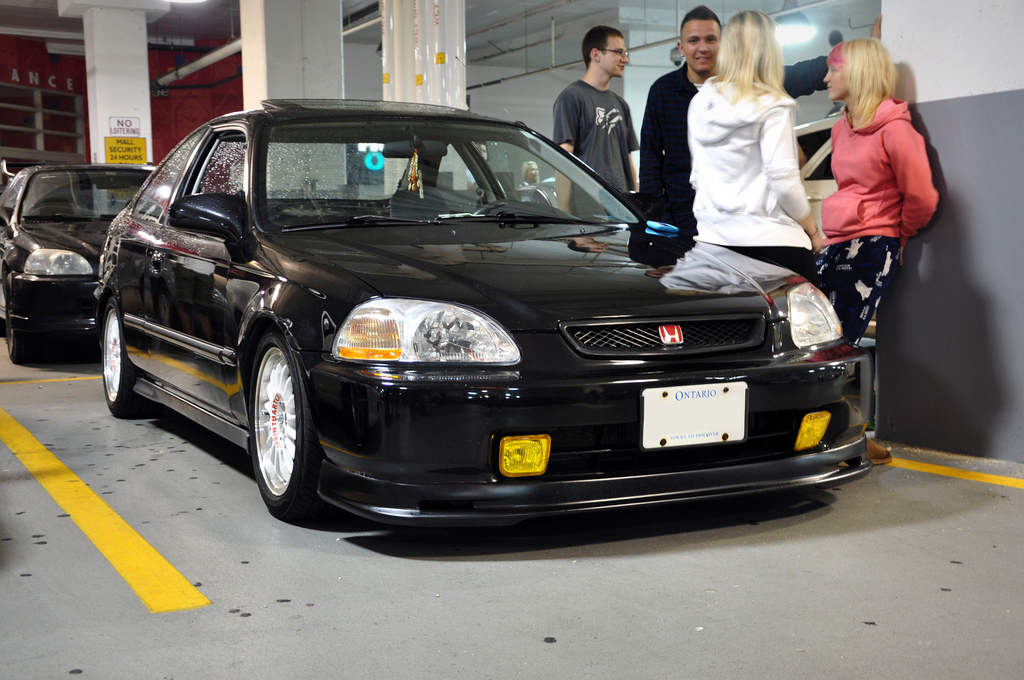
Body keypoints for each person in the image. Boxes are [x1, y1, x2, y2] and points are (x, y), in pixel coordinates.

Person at [816, 37, 939, 464]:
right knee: (817, 339)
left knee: (839, 344)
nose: (826, 77)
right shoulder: (840, 127)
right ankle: (830, 429)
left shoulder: (896, 129)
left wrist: (898, 235)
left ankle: (851, 434)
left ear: (859, 74)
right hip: (836, 242)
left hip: (873, 246)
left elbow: (922, 196)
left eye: (834, 69)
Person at [640, 5, 830, 237]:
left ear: (724, 43)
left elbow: (806, 73)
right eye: (694, 40)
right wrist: (658, 221)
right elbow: (650, 161)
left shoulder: (752, 83)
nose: (703, 48)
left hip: (742, 223)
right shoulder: (662, 91)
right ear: (681, 47)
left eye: (711, 39)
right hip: (681, 219)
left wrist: (850, 57)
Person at [686, 10, 822, 282]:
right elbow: (783, 179)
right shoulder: (771, 102)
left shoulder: (699, 102)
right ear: (769, 50)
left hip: (714, 244)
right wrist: (812, 230)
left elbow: (697, 178)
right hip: (774, 243)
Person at [552, 25, 639, 206]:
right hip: (587, 206)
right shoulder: (571, 97)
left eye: (625, 53)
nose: (625, 59)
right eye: (619, 52)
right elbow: (563, 160)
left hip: (622, 205)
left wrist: (637, 204)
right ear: (596, 54)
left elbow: (628, 160)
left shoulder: (621, 104)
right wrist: (564, 210)